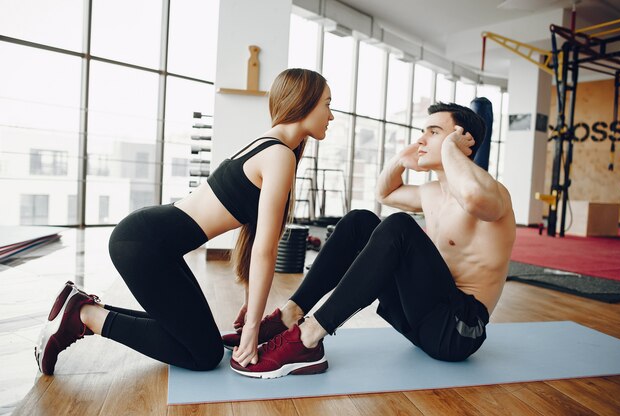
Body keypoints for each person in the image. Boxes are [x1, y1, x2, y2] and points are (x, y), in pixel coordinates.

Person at [34, 68, 334, 375]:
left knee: (194, 339)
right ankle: (84, 316)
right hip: (144, 244)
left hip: (150, 239)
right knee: (203, 355)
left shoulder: (267, 146)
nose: (331, 115)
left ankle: (82, 309)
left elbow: (253, 237)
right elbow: (264, 251)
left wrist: (249, 306)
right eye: (327, 103)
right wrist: (253, 327)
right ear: (304, 102)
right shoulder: (279, 156)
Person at [226, 102, 516, 379]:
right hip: (421, 320)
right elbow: (384, 194)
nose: (421, 140)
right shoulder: (431, 192)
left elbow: (473, 198)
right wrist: (401, 160)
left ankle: (308, 337)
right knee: (359, 221)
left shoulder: (493, 192)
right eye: (423, 131)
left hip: (459, 331)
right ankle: (291, 314)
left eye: (434, 132)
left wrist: (452, 149)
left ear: (462, 139)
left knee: (399, 226)